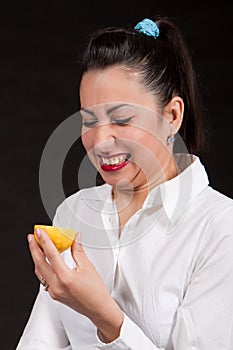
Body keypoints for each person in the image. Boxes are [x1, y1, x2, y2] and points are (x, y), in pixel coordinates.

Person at [16, 16, 233, 349]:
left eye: (122, 119)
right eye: (89, 120)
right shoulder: (74, 212)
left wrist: (105, 316)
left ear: (172, 116)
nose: (101, 140)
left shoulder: (220, 227)